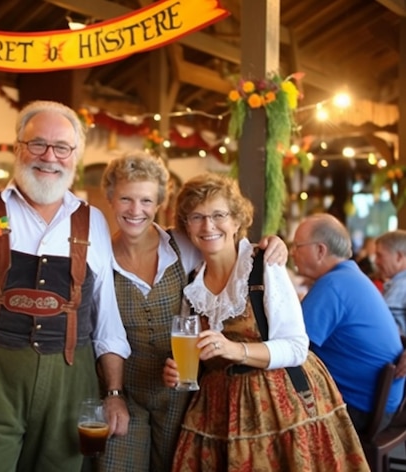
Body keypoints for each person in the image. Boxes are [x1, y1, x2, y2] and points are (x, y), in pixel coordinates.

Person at [0, 100, 131, 472]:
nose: (50, 156)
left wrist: (113, 393)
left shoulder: (92, 221)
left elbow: (106, 321)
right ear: (18, 148)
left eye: (62, 147)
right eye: (38, 144)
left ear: (74, 155)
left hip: (69, 390)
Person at [163, 173, 368, 471]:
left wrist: (236, 350)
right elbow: (200, 355)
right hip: (218, 408)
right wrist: (180, 370)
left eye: (219, 215)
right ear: (187, 226)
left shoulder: (263, 265)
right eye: (197, 217)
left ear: (236, 221)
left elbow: (298, 347)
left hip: (279, 400)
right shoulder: (193, 284)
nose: (208, 226)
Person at [98, 152, 287, 471]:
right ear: (111, 200)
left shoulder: (181, 244)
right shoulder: (99, 254)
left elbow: (223, 241)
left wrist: (271, 244)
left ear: (159, 202)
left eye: (146, 200)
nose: (135, 210)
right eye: (125, 199)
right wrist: (113, 392)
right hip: (127, 387)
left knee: (178, 465)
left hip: (182, 389)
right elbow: (106, 331)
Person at [293, 213, 404, 433]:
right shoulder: (349, 275)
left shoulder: (333, 284)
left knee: (271, 407)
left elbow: (293, 346)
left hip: (362, 410)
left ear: (320, 251)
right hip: (385, 405)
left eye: (297, 246)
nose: (292, 253)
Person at [375, 230, 406, 334]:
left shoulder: (402, 286)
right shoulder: (395, 284)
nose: (376, 262)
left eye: (380, 256)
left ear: (399, 257)